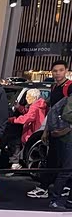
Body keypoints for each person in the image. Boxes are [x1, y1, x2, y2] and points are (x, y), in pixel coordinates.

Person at [28, 60, 72, 199]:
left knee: (64, 163)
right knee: (53, 160)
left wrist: (68, 128)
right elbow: (52, 111)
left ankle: (47, 188)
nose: (58, 73)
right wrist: (46, 129)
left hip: (66, 133)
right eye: (55, 71)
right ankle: (51, 187)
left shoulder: (69, 87)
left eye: (61, 70)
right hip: (54, 131)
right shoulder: (54, 87)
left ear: (66, 71)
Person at [7, 89, 48, 170]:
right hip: (38, 129)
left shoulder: (34, 106)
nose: (26, 99)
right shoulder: (39, 105)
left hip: (32, 130)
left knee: (20, 144)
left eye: (28, 97)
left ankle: (17, 163)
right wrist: (19, 107)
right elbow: (29, 112)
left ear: (34, 98)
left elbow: (28, 118)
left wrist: (13, 120)